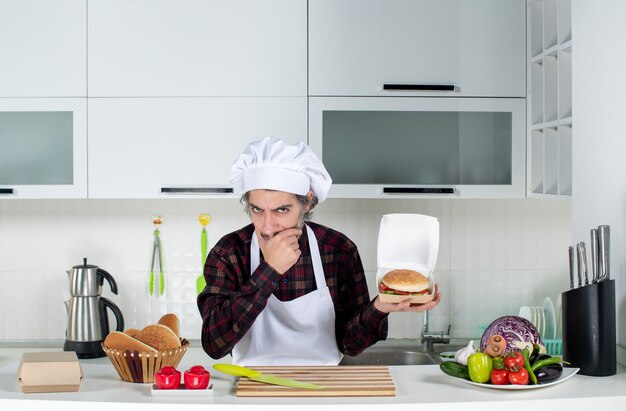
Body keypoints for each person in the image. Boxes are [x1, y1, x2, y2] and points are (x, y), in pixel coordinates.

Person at [197, 137, 442, 366]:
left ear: (308, 202)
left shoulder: (338, 250)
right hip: (250, 390)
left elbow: (350, 344)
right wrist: (269, 271)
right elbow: (213, 344)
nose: (268, 226)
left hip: (324, 388)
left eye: (281, 210)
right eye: (257, 210)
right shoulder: (228, 253)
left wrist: (380, 307)